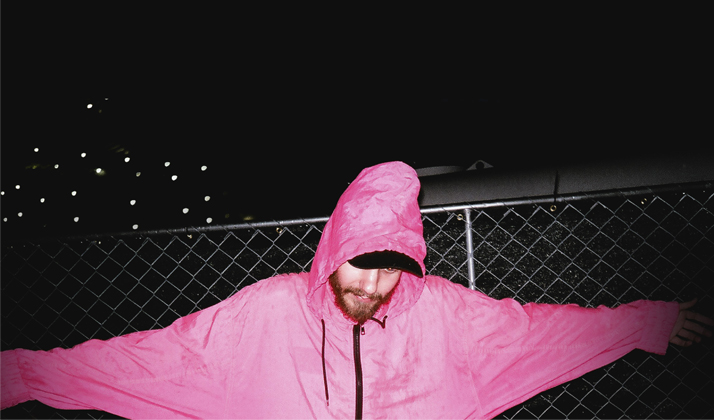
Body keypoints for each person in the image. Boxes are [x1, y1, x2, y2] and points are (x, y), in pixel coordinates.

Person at [1, 161, 712, 419]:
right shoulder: (264, 314)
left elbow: (542, 332)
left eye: (389, 268)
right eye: (359, 265)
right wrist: (21, 374)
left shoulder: (447, 316)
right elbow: (146, 360)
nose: (371, 286)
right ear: (332, 251)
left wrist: (646, 322)